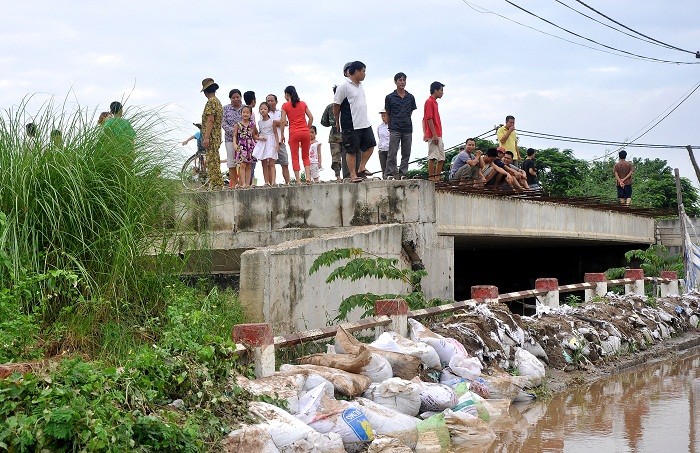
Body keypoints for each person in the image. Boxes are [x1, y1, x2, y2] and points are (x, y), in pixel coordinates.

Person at [333, 60, 375, 183]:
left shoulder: (360, 85)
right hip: (351, 123)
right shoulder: (344, 86)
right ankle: (352, 175)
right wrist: (337, 120)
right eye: (363, 71)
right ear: (356, 72)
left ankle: (361, 167)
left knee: (370, 145)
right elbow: (336, 105)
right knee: (351, 150)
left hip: (364, 122)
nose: (365, 74)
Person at [384, 72, 417, 179]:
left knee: (406, 153)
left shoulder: (410, 97)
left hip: (407, 128)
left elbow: (411, 111)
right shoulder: (389, 97)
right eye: (400, 80)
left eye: (404, 80)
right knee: (392, 152)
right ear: (395, 82)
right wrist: (390, 126)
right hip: (394, 128)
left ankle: (403, 173)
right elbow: (388, 113)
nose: (402, 82)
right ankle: (392, 173)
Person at [280, 85, 314, 183]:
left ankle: (298, 180)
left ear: (287, 94)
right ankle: (308, 177)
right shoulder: (303, 104)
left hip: (294, 133)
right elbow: (311, 117)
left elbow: (282, 121)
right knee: (305, 156)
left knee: (295, 157)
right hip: (305, 132)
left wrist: (282, 134)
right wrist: (307, 129)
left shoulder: (285, 105)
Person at [200, 78, 224, 189]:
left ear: (205, 92)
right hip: (217, 135)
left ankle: (216, 185)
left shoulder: (211, 102)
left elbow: (210, 119)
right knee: (215, 159)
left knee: (212, 160)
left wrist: (206, 137)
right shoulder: (218, 102)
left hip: (211, 136)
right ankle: (217, 183)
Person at [252, 102, 279, 187]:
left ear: (268, 110)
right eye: (261, 109)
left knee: (271, 162)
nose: (263, 110)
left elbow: (275, 133)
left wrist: (277, 144)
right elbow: (257, 133)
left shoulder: (272, 121)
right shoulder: (259, 122)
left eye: (265, 109)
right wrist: (259, 138)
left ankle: (273, 181)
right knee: (263, 162)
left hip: (271, 141)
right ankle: (266, 181)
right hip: (262, 141)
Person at [266, 93, 291, 184]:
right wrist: (279, 123)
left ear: (276, 102)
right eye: (268, 101)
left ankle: (287, 183)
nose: (270, 102)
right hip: (269, 142)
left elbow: (285, 123)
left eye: (272, 100)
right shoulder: (264, 112)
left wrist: (276, 122)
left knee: (284, 163)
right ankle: (272, 183)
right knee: (270, 165)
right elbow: (266, 124)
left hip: (280, 140)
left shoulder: (281, 112)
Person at [423, 81, 445, 182]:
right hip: (434, 134)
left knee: (441, 157)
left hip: (438, 133)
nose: (442, 92)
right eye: (441, 90)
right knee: (432, 156)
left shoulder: (435, 102)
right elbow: (428, 118)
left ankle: (437, 176)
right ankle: (431, 177)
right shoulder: (429, 101)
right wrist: (433, 134)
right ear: (435, 90)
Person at [320, 85, 343, 181]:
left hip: (335, 134)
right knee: (350, 154)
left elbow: (324, 122)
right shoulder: (349, 105)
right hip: (347, 133)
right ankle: (349, 175)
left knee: (336, 156)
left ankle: (338, 176)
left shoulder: (330, 107)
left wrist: (332, 122)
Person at [223, 89, 243, 188]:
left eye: (237, 97)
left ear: (240, 97)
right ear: (230, 99)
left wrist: (240, 132)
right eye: (233, 97)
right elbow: (223, 123)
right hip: (229, 139)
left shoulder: (245, 108)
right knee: (231, 162)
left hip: (243, 139)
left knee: (242, 161)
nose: (235, 99)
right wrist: (234, 131)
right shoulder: (225, 108)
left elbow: (250, 121)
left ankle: (242, 184)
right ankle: (233, 184)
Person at [233, 106, 257, 188]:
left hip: (250, 146)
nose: (245, 114)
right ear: (241, 113)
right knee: (242, 165)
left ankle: (247, 184)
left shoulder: (252, 125)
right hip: (241, 146)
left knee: (249, 165)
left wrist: (260, 139)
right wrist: (235, 145)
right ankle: (242, 183)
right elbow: (234, 136)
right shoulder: (237, 124)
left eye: (247, 113)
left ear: (250, 114)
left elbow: (254, 136)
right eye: (244, 112)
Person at [244, 90, 258, 186]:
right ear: (253, 101)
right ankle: (249, 182)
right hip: (251, 141)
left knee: (245, 164)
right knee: (251, 163)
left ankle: (246, 182)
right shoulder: (251, 112)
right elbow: (253, 127)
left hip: (243, 140)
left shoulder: (243, 110)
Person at [377, 110, 390, 179]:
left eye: (384, 116)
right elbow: (379, 137)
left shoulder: (392, 126)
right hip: (382, 149)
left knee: (390, 166)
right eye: (382, 116)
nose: (383, 118)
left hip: (389, 149)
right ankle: (384, 178)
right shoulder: (380, 127)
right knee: (383, 167)